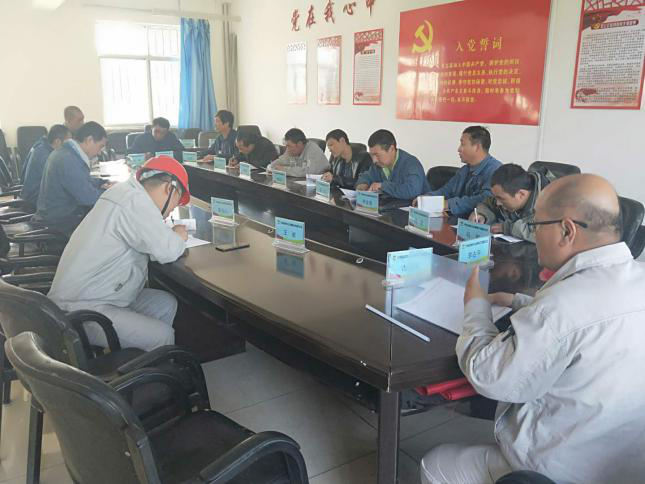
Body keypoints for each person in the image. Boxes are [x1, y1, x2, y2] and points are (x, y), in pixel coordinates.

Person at [421, 174, 645, 484]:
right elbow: (588, 323)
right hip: (622, 464)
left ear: (566, 230)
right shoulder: (636, 277)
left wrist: (475, 304)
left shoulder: (563, 305)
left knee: (435, 464)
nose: (533, 233)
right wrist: (519, 301)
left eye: (536, 224)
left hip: (559, 469)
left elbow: (490, 375)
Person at [48, 156, 190, 351]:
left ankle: (136, 360)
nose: (174, 209)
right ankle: (151, 365)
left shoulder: (125, 192)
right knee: (162, 335)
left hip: (97, 294)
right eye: (177, 201)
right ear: (169, 188)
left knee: (164, 304)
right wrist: (179, 236)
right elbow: (166, 250)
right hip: (81, 310)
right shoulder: (134, 202)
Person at [33, 121, 111, 236]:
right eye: (100, 146)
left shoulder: (67, 152)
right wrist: (110, 191)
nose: (100, 152)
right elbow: (89, 198)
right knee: (107, 227)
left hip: (57, 216)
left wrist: (102, 183)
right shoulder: (68, 159)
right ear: (89, 140)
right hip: (60, 223)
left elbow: (83, 181)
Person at [416, 126, 502, 216]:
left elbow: (484, 200)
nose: (459, 149)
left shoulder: (496, 171)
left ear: (477, 147)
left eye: (463, 144)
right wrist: (428, 197)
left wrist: (448, 204)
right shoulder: (464, 170)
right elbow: (447, 190)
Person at [469, 164, 551, 242]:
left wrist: (508, 228)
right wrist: (482, 215)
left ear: (521, 194)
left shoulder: (552, 203)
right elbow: (488, 204)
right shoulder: (508, 191)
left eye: (501, 199)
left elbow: (546, 235)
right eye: (496, 197)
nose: (498, 203)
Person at [355, 129, 429, 199]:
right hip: (390, 206)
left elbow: (412, 190)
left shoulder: (411, 164)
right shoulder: (379, 164)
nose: (374, 160)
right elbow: (367, 176)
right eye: (372, 155)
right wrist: (362, 185)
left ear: (391, 149)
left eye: (377, 155)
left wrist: (382, 186)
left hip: (413, 207)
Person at [19, 125, 71, 207]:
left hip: (36, 195)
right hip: (35, 200)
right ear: (57, 141)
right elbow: (59, 182)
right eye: (68, 143)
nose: (70, 146)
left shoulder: (43, 147)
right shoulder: (45, 156)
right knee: (74, 203)